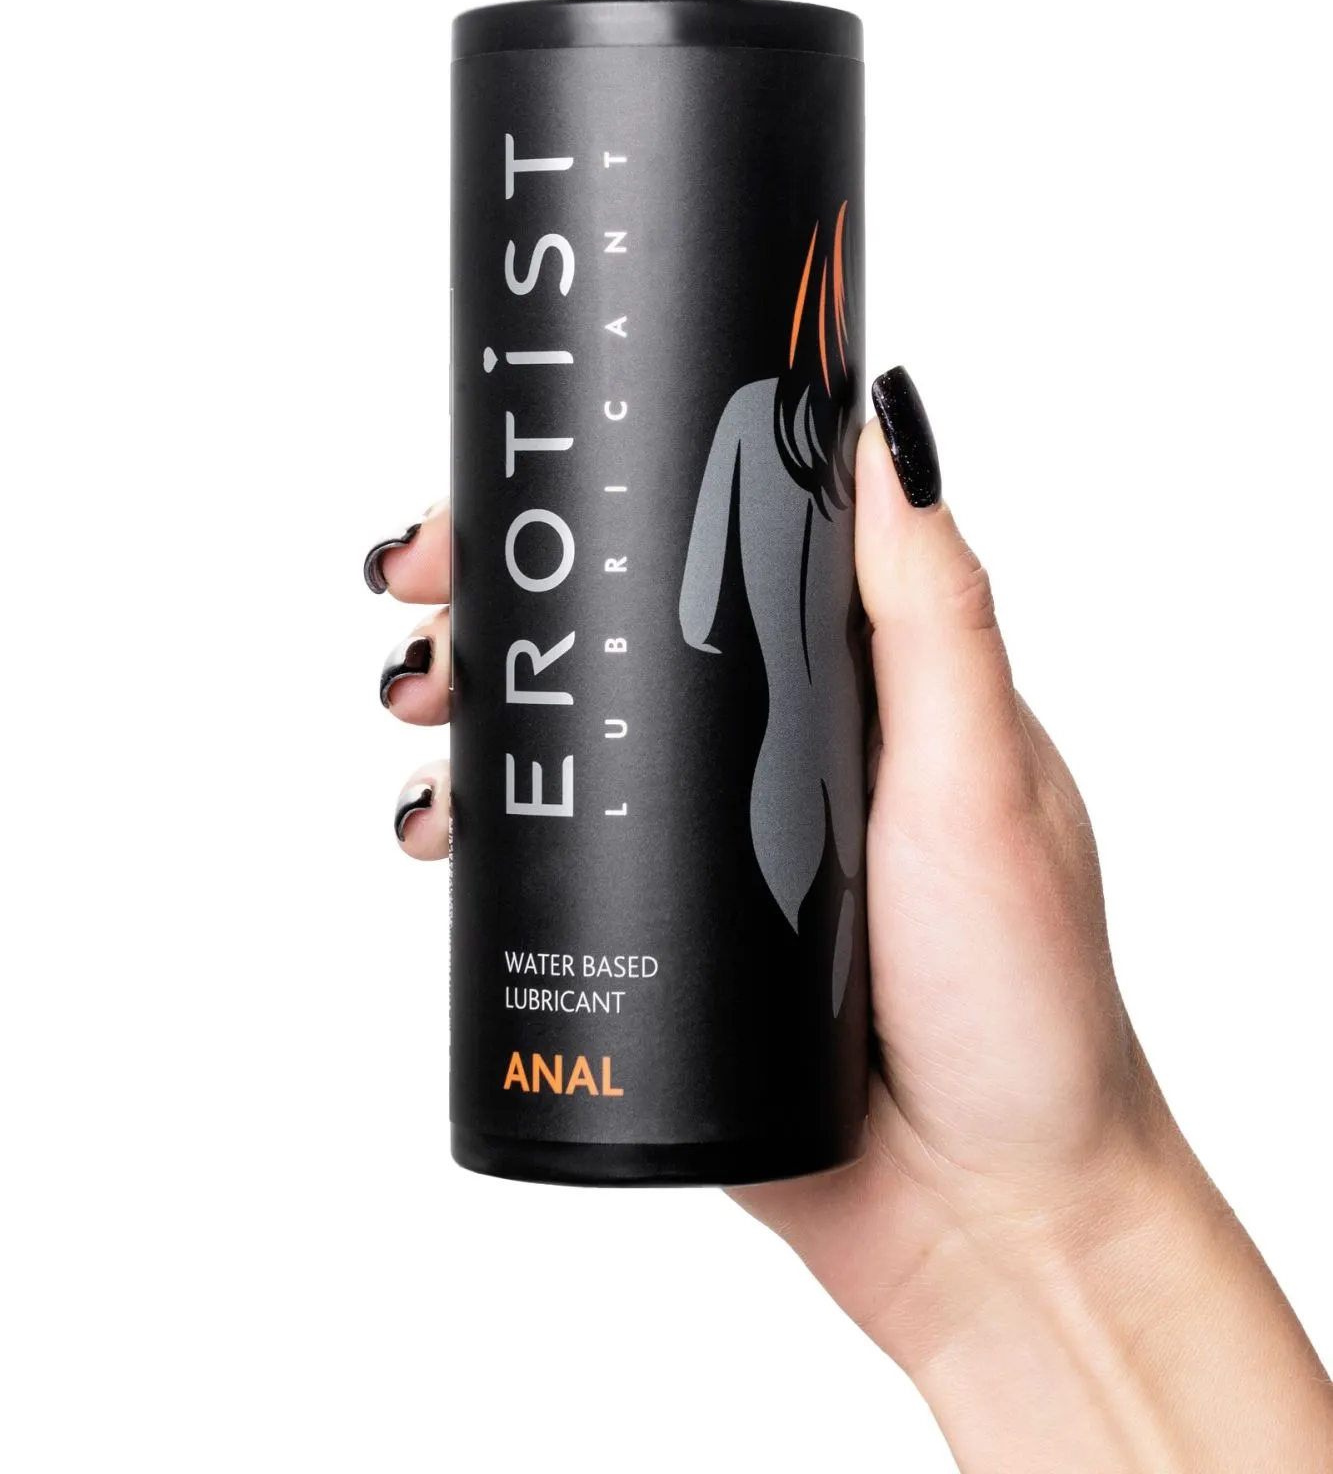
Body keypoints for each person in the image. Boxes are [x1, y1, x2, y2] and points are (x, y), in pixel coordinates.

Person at [367, 367, 1333, 1470]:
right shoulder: (787, 409)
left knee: (532, 569)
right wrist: (1049, 1213)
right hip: (808, 789)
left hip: (756, 791)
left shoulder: (745, 420)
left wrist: (583, 596)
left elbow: (693, 610)